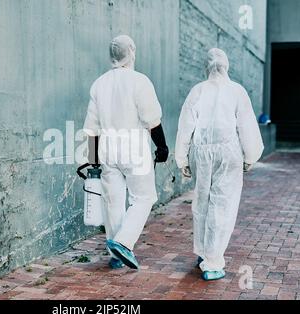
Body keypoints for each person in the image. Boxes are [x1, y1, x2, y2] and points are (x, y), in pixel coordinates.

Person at [175, 48, 264, 281]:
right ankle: (212, 261)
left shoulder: (197, 91)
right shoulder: (237, 91)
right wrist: (250, 157)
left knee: (202, 202)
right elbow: (246, 125)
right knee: (222, 205)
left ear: (206, 66)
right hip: (228, 152)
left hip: (201, 152)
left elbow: (185, 126)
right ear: (227, 65)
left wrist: (182, 158)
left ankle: (204, 252)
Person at [83, 35, 169, 270]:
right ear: (131, 52)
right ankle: (123, 242)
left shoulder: (99, 84)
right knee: (144, 197)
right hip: (134, 149)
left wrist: (93, 161)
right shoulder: (140, 81)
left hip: (108, 149)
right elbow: (152, 120)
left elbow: (91, 127)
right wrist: (162, 147)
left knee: (113, 201)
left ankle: (114, 254)